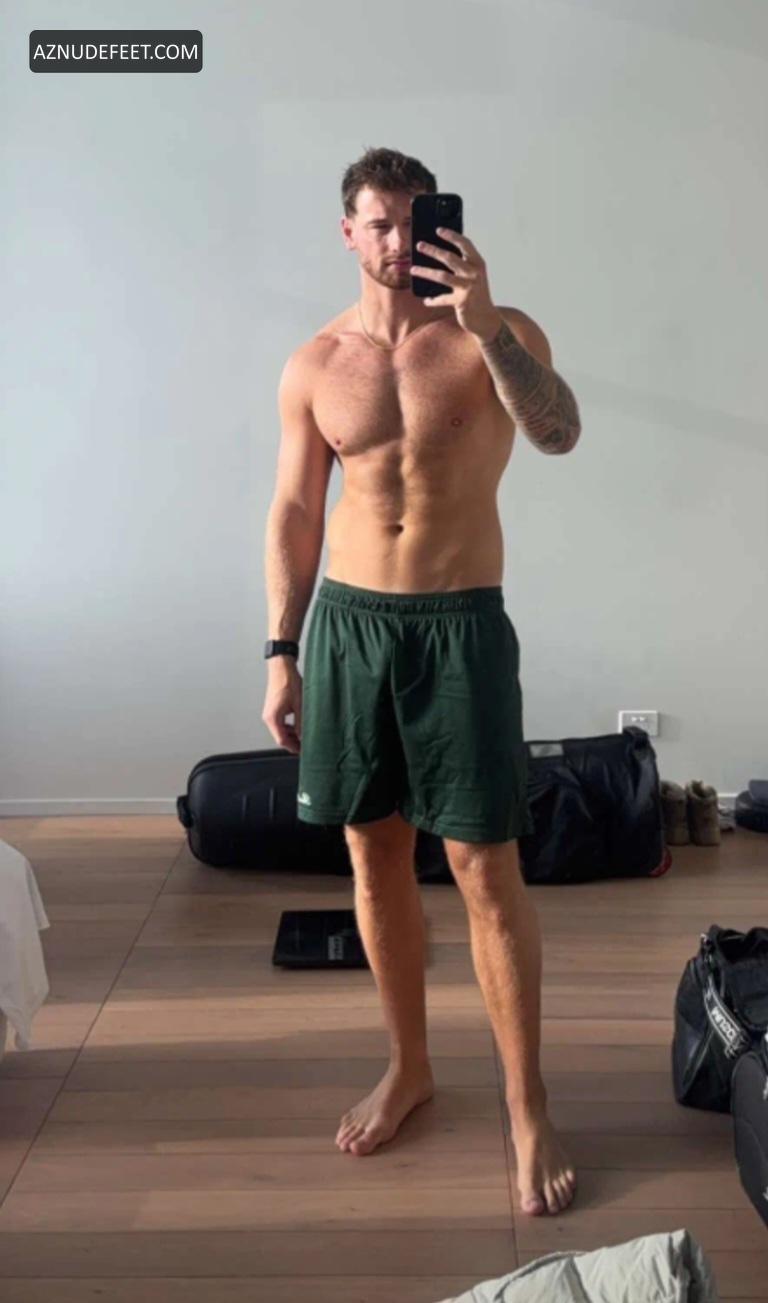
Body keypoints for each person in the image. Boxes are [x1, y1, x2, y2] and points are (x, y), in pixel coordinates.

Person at [262, 147, 581, 1216]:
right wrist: (281, 648)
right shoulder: (315, 363)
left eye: (417, 220)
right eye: (381, 224)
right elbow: (295, 512)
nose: (402, 242)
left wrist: (486, 325)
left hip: (459, 624)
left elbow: (559, 433)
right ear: (348, 233)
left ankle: (527, 1104)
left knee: (485, 865)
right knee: (373, 852)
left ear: (443, 222)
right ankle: (410, 1065)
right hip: (350, 626)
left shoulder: (497, 335)